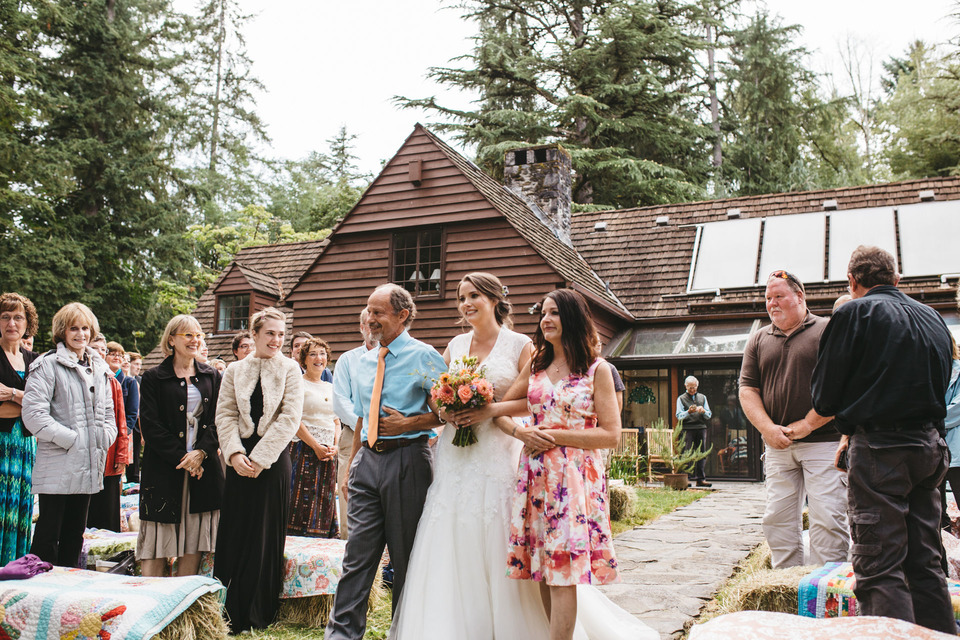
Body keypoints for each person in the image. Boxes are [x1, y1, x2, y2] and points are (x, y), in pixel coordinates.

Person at [811, 245, 955, 634]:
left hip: (880, 450)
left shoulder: (853, 313)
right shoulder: (933, 317)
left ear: (852, 281)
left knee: (879, 567)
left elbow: (823, 397)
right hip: (929, 448)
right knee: (925, 563)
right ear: (896, 280)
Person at [391, 272, 539, 638]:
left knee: (495, 526)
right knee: (450, 527)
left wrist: (489, 410)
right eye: (461, 297)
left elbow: (533, 398)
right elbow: (436, 393)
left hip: (497, 451)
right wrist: (447, 410)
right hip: (455, 455)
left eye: (474, 296)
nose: (466, 304)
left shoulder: (520, 344)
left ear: (493, 299)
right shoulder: (456, 345)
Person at [499, 289, 643, 640]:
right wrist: (522, 432)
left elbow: (611, 433)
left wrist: (556, 436)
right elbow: (503, 409)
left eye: (554, 313)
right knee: (544, 568)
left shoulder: (599, 369)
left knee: (563, 568)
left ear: (573, 318)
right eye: (543, 313)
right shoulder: (535, 368)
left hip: (573, 479)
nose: (545, 320)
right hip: (533, 477)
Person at [325, 284, 446, 640]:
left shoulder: (424, 356)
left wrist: (407, 423)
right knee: (357, 557)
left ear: (402, 315)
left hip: (408, 460)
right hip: (367, 463)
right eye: (368, 310)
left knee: (406, 556)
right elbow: (363, 415)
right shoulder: (363, 360)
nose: (370, 317)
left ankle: (404, 632)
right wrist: (352, 466)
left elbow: (444, 415)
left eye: (377, 312)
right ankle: (341, 635)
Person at [738, 269, 849, 569]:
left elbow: (844, 387)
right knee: (777, 519)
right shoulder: (758, 339)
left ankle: (826, 586)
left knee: (828, 517)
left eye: (779, 296)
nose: (771, 303)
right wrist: (767, 429)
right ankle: (785, 582)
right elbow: (747, 390)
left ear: (800, 296)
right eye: (767, 298)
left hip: (823, 443)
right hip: (778, 447)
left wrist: (808, 424)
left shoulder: (827, 331)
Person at [215, 307, 303, 632]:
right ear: (254, 334)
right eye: (270, 333)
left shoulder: (291, 369)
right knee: (235, 530)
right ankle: (227, 610)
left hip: (273, 459)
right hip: (238, 459)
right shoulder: (235, 370)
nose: (276, 340)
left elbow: (290, 416)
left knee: (264, 534)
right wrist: (235, 454)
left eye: (281, 334)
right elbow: (224, 414)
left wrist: (262, 458)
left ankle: (259, 610)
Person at [22, 302, 116, 566]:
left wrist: (105, 437)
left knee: (75, 535)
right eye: (74, 328)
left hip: (88, 464)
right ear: (62, 331)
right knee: (48, 535)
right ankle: (41, 592)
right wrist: (72, 440)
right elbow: (33, 415)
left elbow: (109, 413)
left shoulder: (99, 367)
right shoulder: (47, 365)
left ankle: (68, 594)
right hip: (59, 465)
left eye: (85, 328)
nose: (81, 334)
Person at [137, 316, 223, 577]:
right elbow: (150, 426)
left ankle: (182, 605)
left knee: (193, 543)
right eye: (187, 334)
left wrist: (201, 454)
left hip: (203, 471)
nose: (194, 339)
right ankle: (152, 602)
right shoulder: (153, 377)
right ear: (171, 339)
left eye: (198, 334)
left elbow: (221, 419)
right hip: (164, 470)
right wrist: (185, 458)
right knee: (156, 543)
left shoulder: (212, 376)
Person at [0, 293, 40, 564]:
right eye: (4, 317)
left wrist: (12, 394)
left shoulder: (35, 359)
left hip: (27, 445)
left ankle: (14, 568)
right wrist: (26, 401)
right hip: (2, 444)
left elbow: (42, 404)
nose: (11, 323)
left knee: (21, 508)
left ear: (28, 323)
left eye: (18, 317)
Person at [288, 337, 340, 538]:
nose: (319, 358)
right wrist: (315, 445)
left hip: (328, 452)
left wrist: (334, 446)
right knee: (300, 500)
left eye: (322, 354)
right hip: (304, 448)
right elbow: (295, 420)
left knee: (324, 499)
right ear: (304, 360)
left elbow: (336, 421)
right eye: (313, 354)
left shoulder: (330, 387)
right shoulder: (298, 384)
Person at [332, 308, 377, 538]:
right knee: (350, 495)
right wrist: (368, 425)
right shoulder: (347, 360)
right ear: (361, 328)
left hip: (390, 434)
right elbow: (340, 400)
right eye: (369, 324)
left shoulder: (394, 356)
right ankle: (348, 548)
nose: (374, 329)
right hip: (353, 435)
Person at [86, 338, 132, 531]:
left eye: (102, 350)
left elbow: (122, 421)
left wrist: (122, 455)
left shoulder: (113, 382)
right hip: (83, 454)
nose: (98, 353)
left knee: (107, 509)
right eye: (94, 349)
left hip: (109, 455)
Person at [675, 375, 712, 487]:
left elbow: (709, 415)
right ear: (686, 386)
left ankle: (701, 479)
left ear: (697, 385)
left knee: (702, 453)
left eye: (694, 387)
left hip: (701, 428)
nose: (692, 390)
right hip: (687, 429)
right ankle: (686, 478)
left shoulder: (703, 397)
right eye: (690, 387)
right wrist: (688, 412)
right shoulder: (681, 398)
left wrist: (703, 411)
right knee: (686, 453)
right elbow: (678, 416)